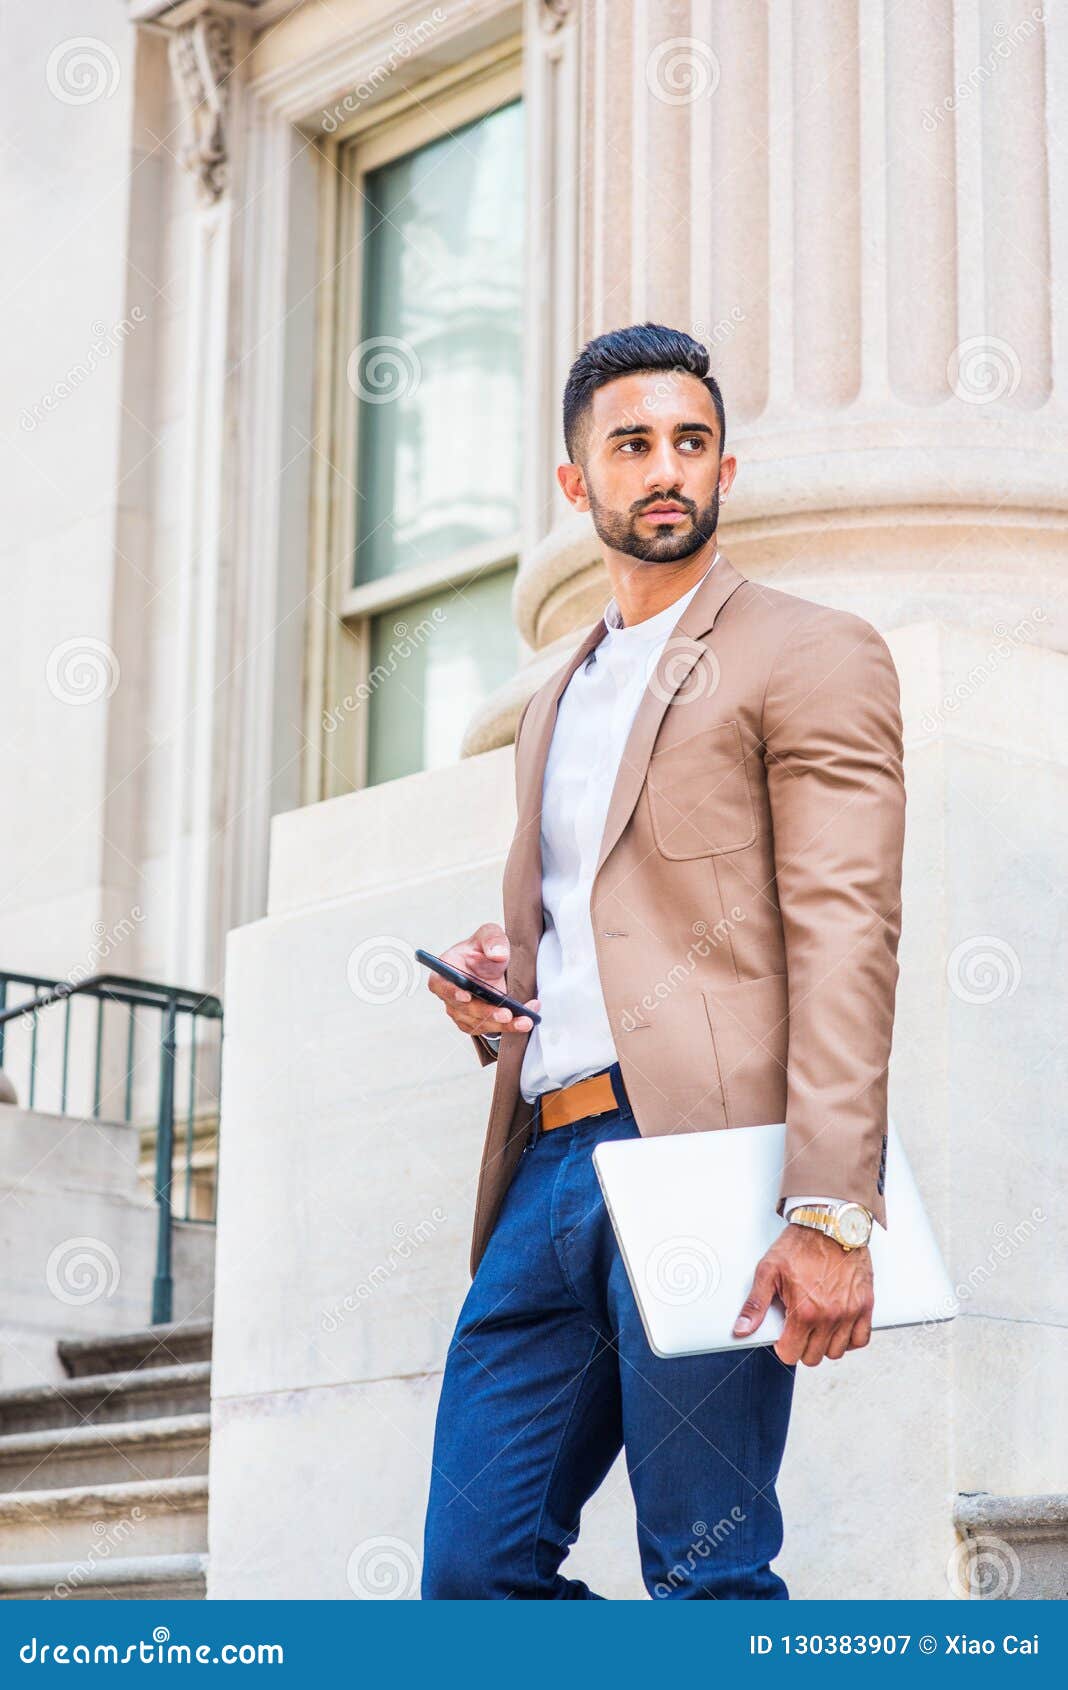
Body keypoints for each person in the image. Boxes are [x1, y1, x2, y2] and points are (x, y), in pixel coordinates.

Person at [421, 323, 905, 1599]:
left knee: (705, 1570)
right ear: (577, 484)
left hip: (699, 1162)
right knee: (472, 1577)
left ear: (726, 469)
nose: (666, 469)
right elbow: (586, 925)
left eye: (690, 442)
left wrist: (830, 1206)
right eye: (631, 445)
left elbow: (848, 931)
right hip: (542, 1169)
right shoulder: (556, 695)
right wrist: (494, 982)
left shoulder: (809, 649)